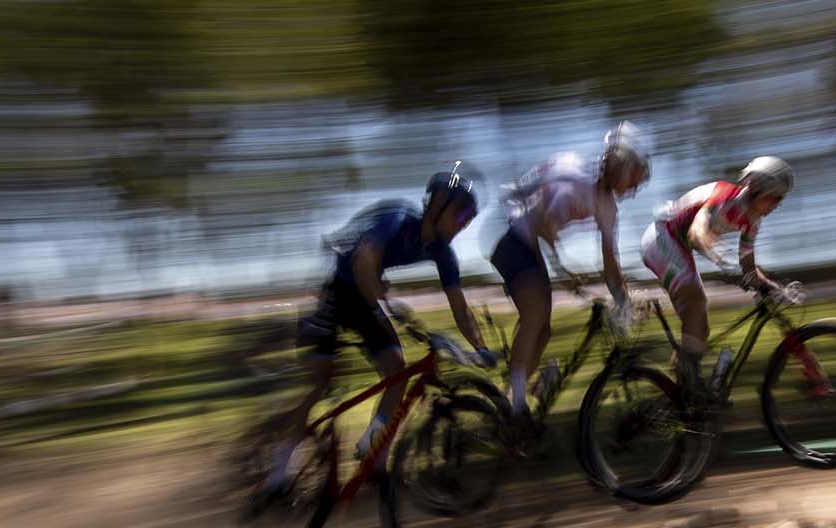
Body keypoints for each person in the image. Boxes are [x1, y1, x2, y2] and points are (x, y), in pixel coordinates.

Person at [264, 164, 495, 494]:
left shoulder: (443, 253)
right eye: (460, 213)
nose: (464, 223)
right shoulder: (398, 219)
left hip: (368, 300)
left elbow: (460, 306)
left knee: (397, 375)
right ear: (438, 202)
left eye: (469, 218)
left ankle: (374, 454)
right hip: (340, 292)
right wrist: (385, 304)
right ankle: (277, 470)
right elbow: (364, 259)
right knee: (320, 381)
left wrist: (481, 348)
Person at [490, 122, 652, 422]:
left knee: (544, 328)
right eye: (633, 180)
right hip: (510, 235)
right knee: (535, 314)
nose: (633, 190)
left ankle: (515, 396)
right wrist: (562, 269)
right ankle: (515, 405)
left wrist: (625, 304)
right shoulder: (576, 180)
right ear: (620, 166)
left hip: (531, 241)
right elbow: (541, 222)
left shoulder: (607, 207)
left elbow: (611, 266)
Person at [640, 155, 795, 396]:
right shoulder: (725, 197)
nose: (777, 205)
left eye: (781, 200)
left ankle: (680, 397)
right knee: (696, 299)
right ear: (758, 189)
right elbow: (696, 232)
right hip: (661, 238)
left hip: (678, 245)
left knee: (699, 329)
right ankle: (687, 384)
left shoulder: (752, 221)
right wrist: (721, 260)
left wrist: (774, 288)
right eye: (775, 198)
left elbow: (749, 270)